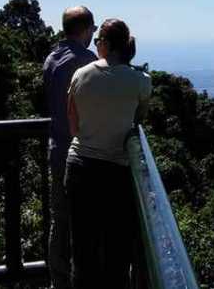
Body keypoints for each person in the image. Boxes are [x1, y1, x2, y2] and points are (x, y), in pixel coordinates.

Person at [65, 18, 152, 289]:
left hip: (79, 167)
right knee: (117, 253)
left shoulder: (81, 75)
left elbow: (73, 125)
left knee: (82, 251)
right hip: (117, 172)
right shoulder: (141, 81)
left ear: (105, 44)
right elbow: (137, 122)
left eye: (98, 41)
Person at [42, 6, 98, 289]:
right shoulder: (86, 62)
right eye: (94, 30)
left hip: (55, 150)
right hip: (81, 154)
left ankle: (59, 281)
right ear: (86, 29)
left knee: (59, 220)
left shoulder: (51, 59)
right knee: (86, 223)